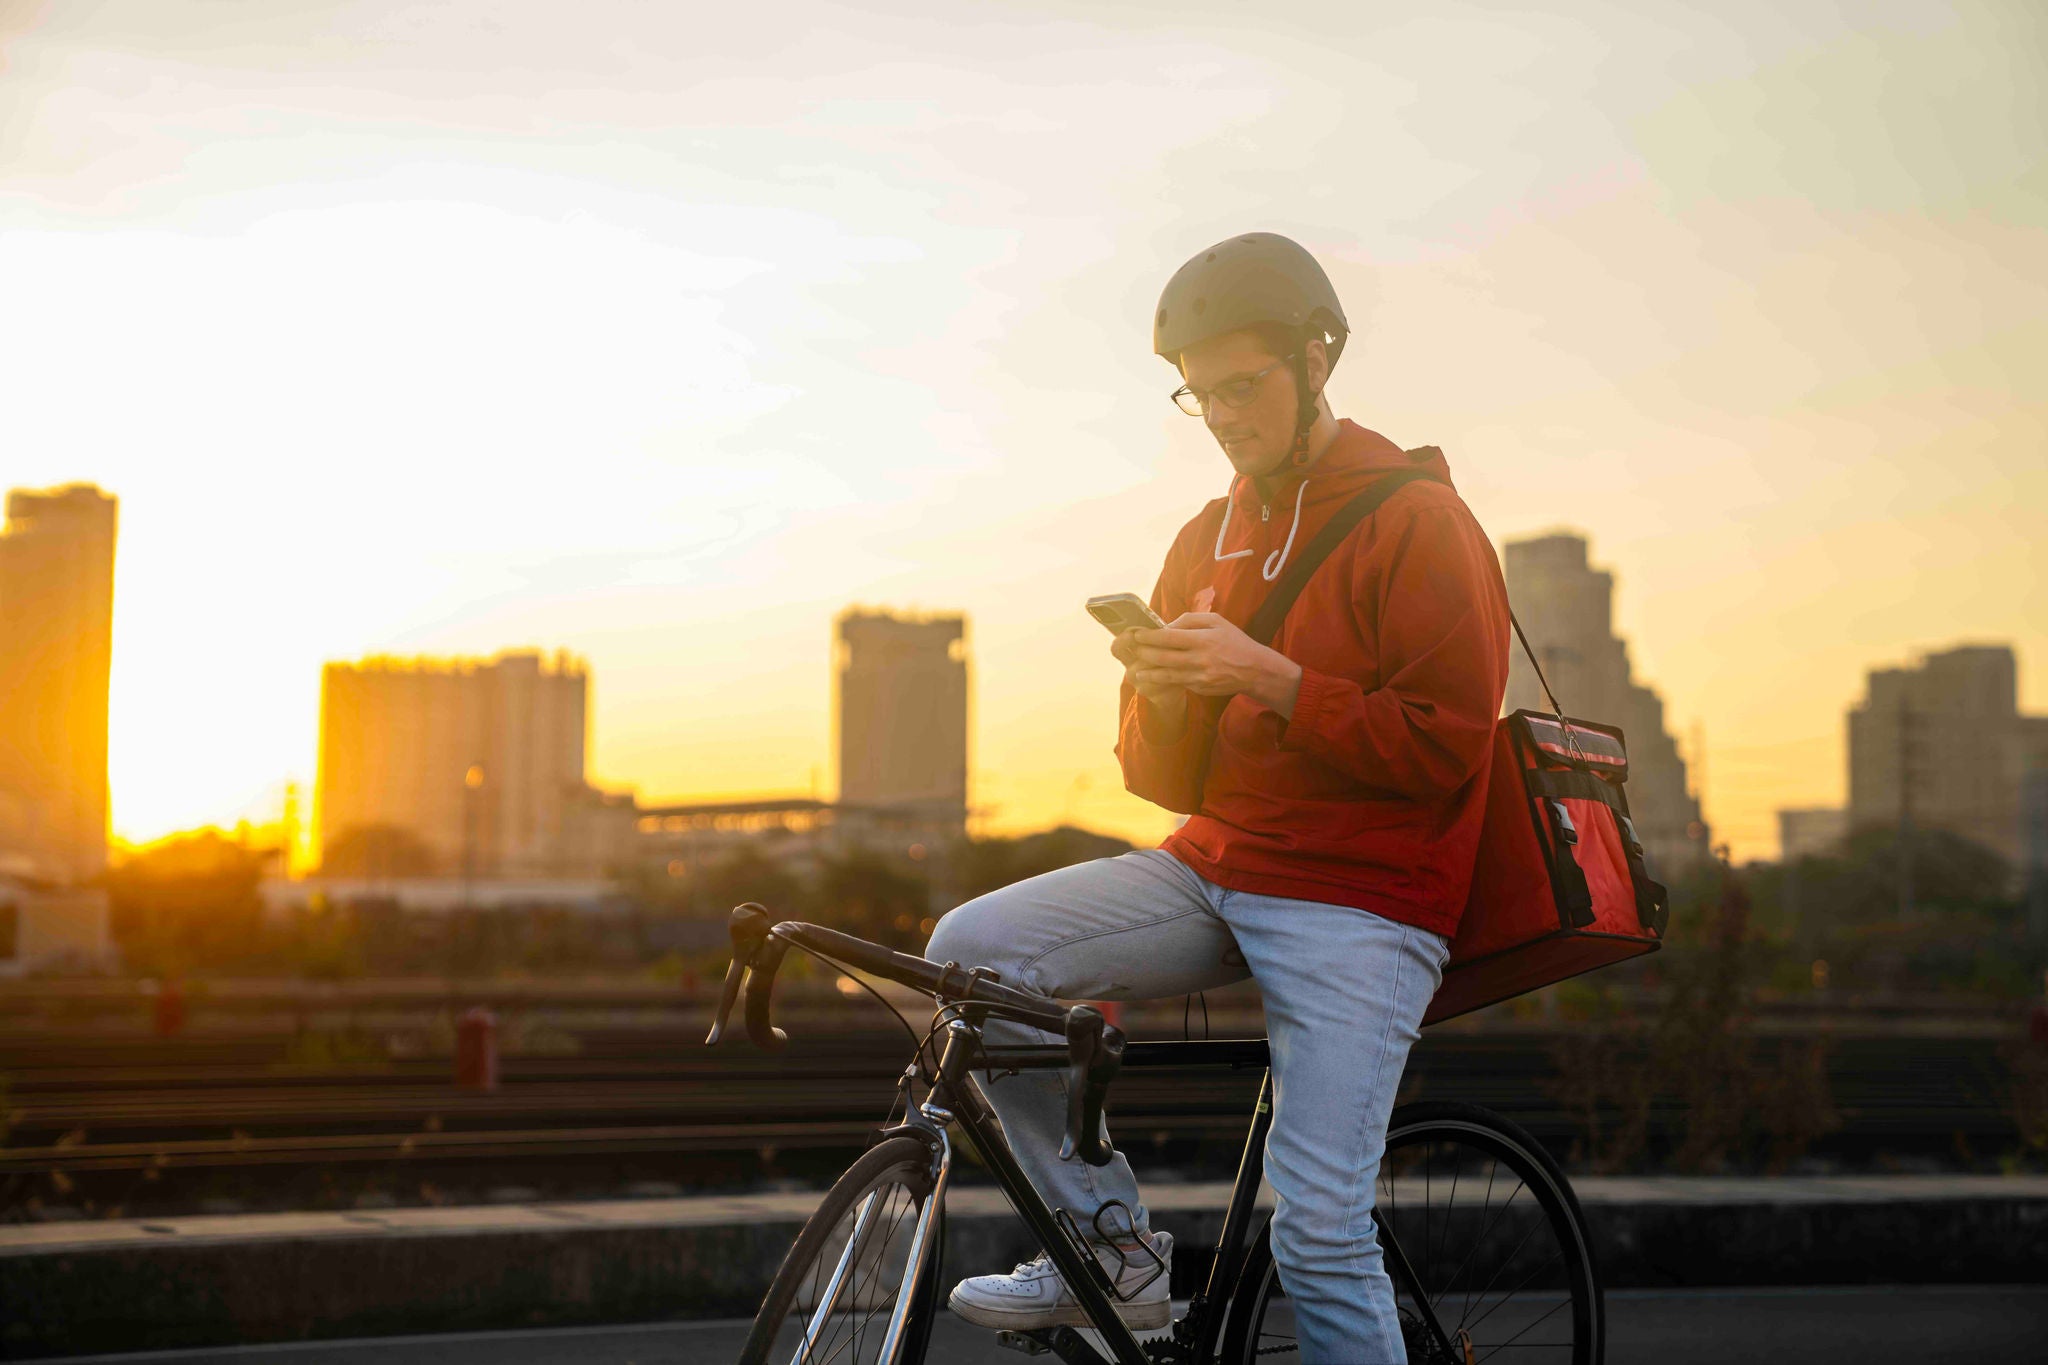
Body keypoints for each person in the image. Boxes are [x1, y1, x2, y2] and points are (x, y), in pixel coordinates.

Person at [927, 231, 1511, 1362]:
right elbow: (1158, 780)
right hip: (1216, 865)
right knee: (974, 956)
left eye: (1244, 387)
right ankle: (1110, 1246)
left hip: (1365, 897)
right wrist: (1165, 695)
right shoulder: (1207, 536)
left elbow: (1446, 747)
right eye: (1201, 396)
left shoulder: (1419, 520)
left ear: (1316, 360)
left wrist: (1270, 678)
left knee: (1320, 1233)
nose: (1224, 416)